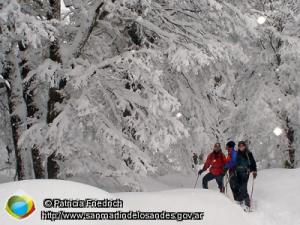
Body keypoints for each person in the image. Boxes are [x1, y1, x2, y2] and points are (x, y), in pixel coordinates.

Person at [234, 141, 257, 208]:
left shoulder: (248, 153)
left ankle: (247, 203)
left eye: (242, 146)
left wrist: (254, 171)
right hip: (238, 172)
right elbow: (234, 163)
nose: (241, 147)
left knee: (243, 187)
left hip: (245, 172)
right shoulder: (236, 154)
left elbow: (253, 163)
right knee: (239, 186)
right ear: (238, 147)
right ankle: (240, 199)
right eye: (240, 146)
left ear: (245, 146)